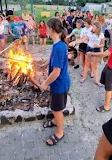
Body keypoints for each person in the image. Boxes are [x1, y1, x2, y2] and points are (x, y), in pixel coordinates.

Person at [41, 18, 71, 147]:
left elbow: (56, 72)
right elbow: (53, 58)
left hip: (59, 84)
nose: (46, 30)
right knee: (54, 106)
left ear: (52, 29)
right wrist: (45, 64)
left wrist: (45, 83)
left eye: (47, 28)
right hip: (57, 83)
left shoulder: (59, 47)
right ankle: (54, 120)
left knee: (57, 109)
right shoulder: (58, 44)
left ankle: (60, 132)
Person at [87, 22, 112, 113]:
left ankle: (106, 107)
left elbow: (104, 54)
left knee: (107, 88)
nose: (111, 31)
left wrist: (92, 54)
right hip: (109, 65)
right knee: (106, 83)